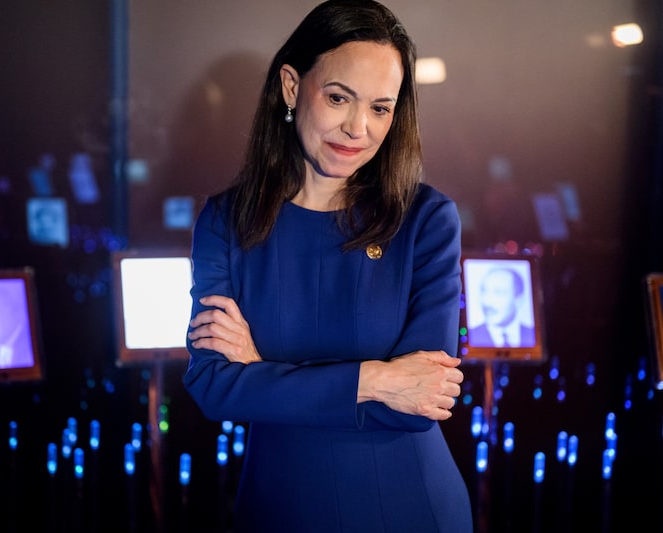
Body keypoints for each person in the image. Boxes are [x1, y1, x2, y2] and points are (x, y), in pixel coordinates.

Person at [184, 1, 472, 531]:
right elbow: (213, 387)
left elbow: (420, 400)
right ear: (292, 87)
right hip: (278, 504)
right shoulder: (227, 221)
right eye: (339, 98)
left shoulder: (427, 220)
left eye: (381, 108)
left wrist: (261, 374)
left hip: (408, 506)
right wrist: (374, 379)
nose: (358, 127)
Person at [467, 265, 535, 348]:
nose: (487, 302)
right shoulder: (471, 335)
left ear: (519, 299)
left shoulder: (532, 334)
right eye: (484, 291)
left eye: (498, 293)